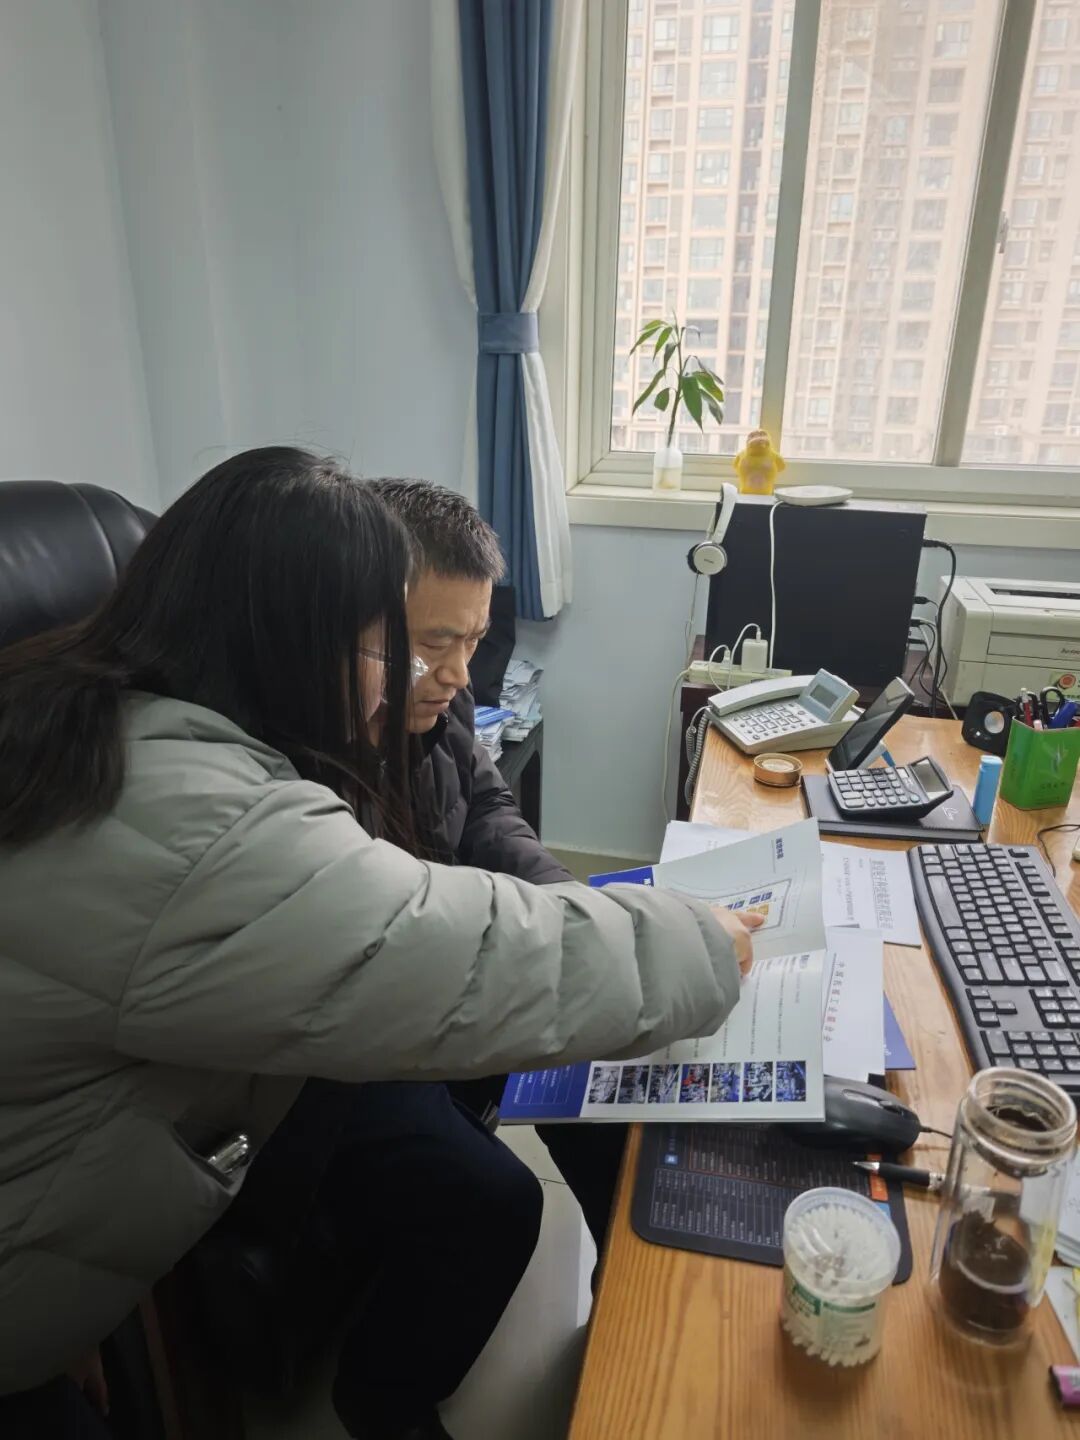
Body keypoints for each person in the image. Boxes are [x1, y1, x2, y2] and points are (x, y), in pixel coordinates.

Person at [0, 448, 757, 1440]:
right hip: (269, 1068)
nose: (432, 676)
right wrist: (700, 939)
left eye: (465, 645)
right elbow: (457, 953)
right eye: (393, 647)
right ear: (285, 637)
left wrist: (574, 903)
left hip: (225, 1054)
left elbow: (485, 826)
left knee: (576, 1099)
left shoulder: (98, 708)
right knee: (490, 1187)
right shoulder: (210, 819)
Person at [368, 478, 633, 1247]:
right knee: (500, 1199)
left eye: (474, 639)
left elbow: (486, 809)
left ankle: (626, 1294)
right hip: (389, 1016)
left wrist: (563, 899)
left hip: (450, 974)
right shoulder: (325, 742)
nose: (459, 673)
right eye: (434, 642)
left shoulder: (442, 697)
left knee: (604, 1073)